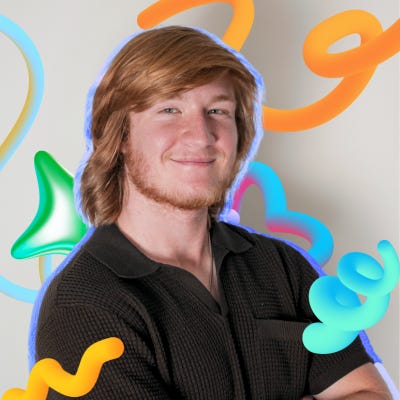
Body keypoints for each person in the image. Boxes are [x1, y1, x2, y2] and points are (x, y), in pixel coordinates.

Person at [33, 26, 392, 399]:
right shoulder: (84, 304)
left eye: (217, 111)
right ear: (120, 134)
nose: (201, 135)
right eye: (170, 109)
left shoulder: (283, 267)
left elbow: (372, 395)